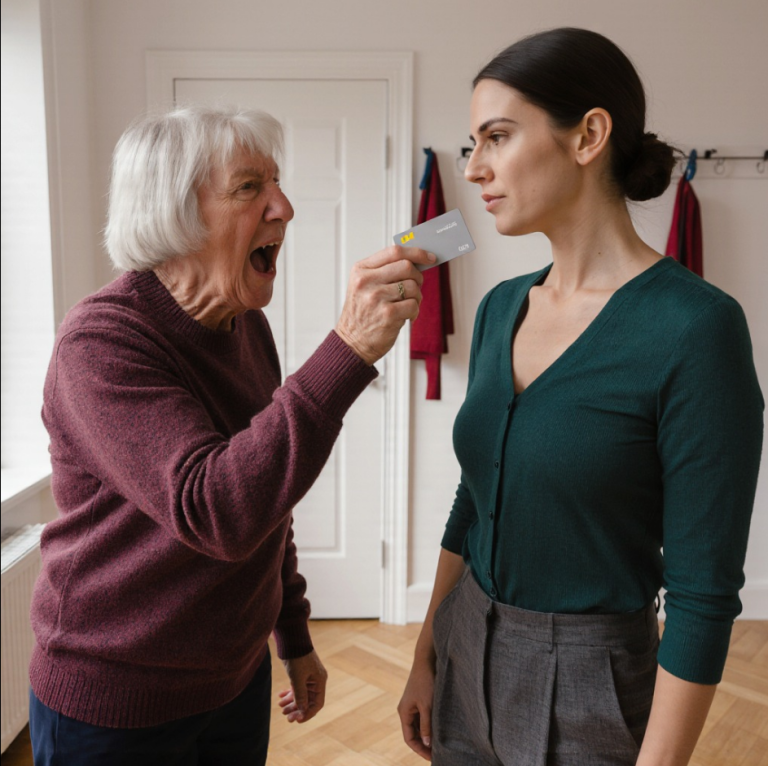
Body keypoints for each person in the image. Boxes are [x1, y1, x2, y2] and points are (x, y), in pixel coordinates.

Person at [398, 27, 764, 766]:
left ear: (589, 135)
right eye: (472, 145)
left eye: (496, 137)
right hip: (466, 651)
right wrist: (426, 654)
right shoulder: (503, 307)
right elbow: (475, 498)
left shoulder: (697, 330)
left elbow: (703, 593)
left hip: (595, 684)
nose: (475, 171)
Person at [28, 105, 434, 766]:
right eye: (250, 188)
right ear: (175, 214)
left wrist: (293, 636)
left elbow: (266, 494)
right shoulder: (101, 342)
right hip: (118, 705)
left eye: (276, 183)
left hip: (233, 681)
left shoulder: (245, 326)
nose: (285, 207)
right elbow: (214, 507)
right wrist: (348, 350)